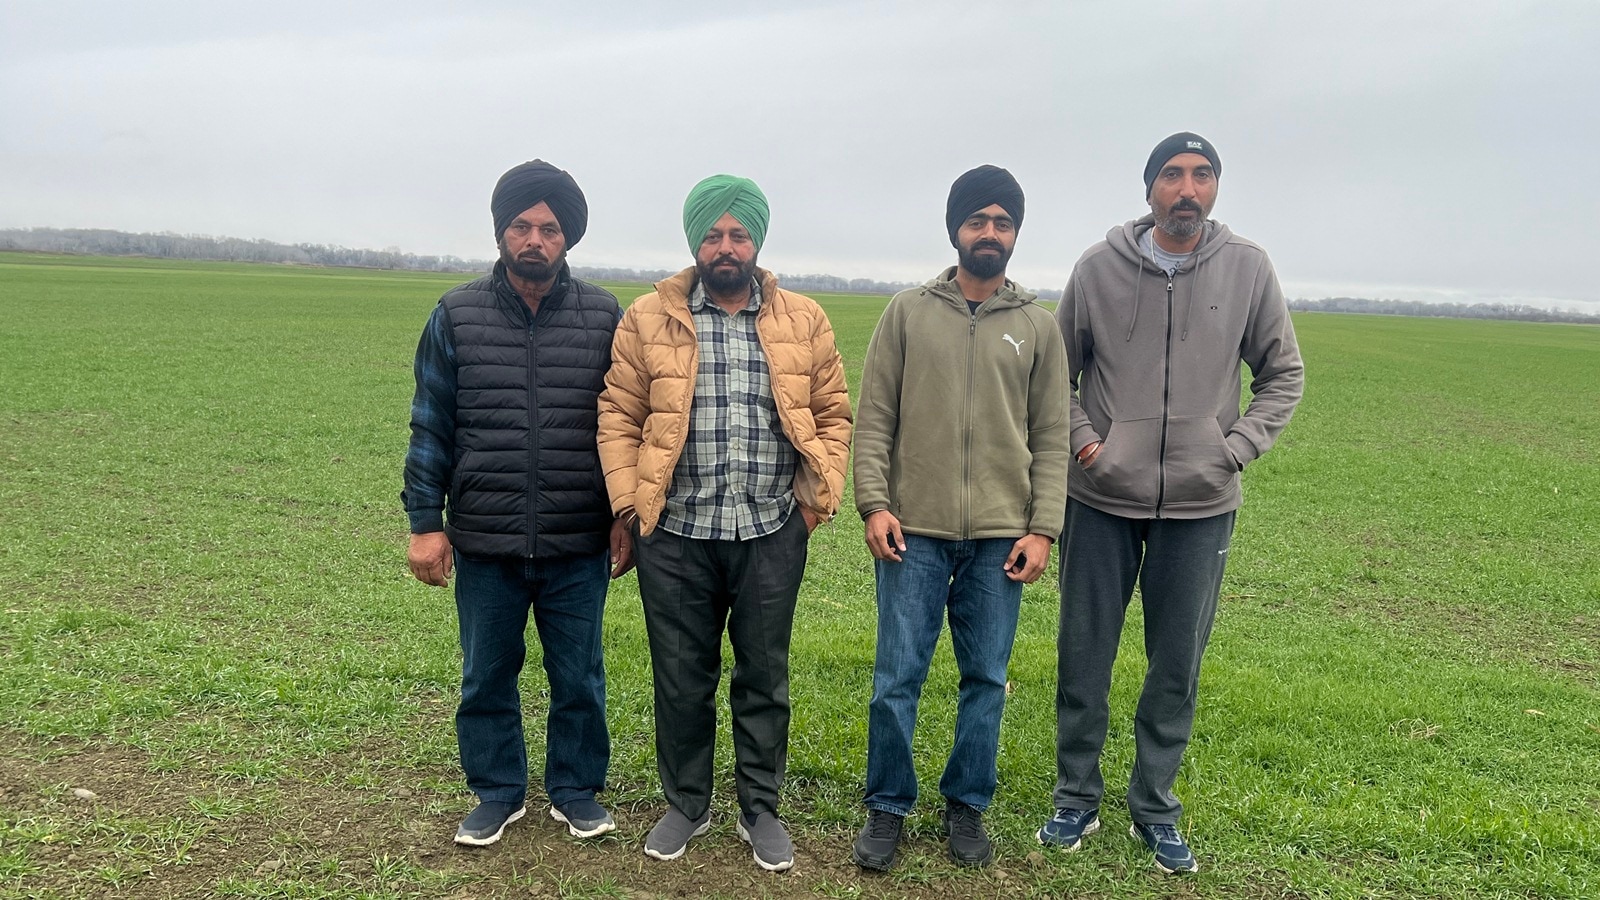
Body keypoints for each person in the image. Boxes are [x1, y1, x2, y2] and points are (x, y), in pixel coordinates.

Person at [1037, 132, 1304, 874]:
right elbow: (1055, 375)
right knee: (1083, 653)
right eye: (1173, 176)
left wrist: (1234, 447)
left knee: (1175, 662)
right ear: (1149, 187)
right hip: (1101, 497)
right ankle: (1074, 797)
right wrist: (1089, 445)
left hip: (1202, 501)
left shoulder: (1249, 269)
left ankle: (1154, 807)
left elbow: (1283, 374)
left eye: (1202, 175)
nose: (1187, 189)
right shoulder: (1097, 269)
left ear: (1215, 188)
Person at [597, 174, 853, 873]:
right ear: (695, 242)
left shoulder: (803, 319)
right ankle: (687, 803)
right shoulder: (649, 317)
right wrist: (630, 506)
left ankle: (760, 807)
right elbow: (619, 415)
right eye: (713, 234)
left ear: (757, 241)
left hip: (771, 528)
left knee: (764, 675)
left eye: (738, 234)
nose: (726, 246)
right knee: (681, 676)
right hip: (675, 532)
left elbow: (832, 416)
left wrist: (812, 503)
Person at [850, 165, 1072, 870]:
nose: (990, 232)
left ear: (1015, 235)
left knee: (986, 677)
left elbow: (1052, 433)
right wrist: (875, 504)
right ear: (956, 230)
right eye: (977, 220)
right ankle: (887, 806)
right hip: (912, 531)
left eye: (1003, 222)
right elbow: (874, 417)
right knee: (897, 677)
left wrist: (1042, 528)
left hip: (1002, 539)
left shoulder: (1038, 327)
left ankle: (967, 805)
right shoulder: (907, 313)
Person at [403, 160, 625, 848]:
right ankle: (497, 792)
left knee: (580, 677)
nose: (536, 239)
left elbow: (627, 423)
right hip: (486, 539)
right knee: (486, 675)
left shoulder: (605, 316)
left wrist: (625, 516)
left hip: (577, 538)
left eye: (550, 228)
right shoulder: (455, 314)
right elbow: (430, 422)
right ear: (502, 232)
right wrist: (424, 524)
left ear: (568, 239)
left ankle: (574, 789)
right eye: (523, 226)